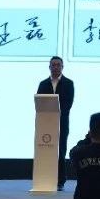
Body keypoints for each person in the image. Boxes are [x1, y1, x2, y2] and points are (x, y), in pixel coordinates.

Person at [37, 56, 75, 191]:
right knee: (45, 149)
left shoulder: (69, 83)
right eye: (53, 65)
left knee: (61, 150)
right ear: (49, 67)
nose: (56, 67)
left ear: (62, 67)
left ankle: (60, 180)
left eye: (58, 65)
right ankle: (45, 177)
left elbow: (68, 104)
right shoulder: (43, 84)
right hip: (45, 124)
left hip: (62, 122)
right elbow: (39, 102)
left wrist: (56, 114)